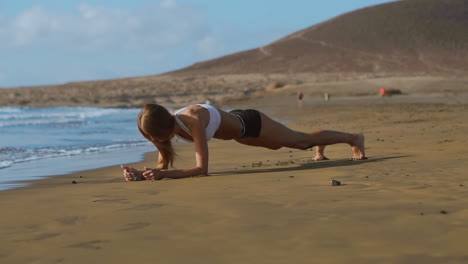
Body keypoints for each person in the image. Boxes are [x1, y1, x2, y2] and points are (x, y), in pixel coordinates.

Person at [121, 103, 366, 181]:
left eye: (154, 137)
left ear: (166, 127)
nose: (154, 141)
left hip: (251, 123)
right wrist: (142, 175)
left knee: (299, 142)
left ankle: (353, 138)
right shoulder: (163, 127)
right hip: (240, 136)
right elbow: (163, 165)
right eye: (150, 138)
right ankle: (318, 143)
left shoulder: (192, 120)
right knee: (281, 144)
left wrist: (163, 175)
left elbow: (201, 170)